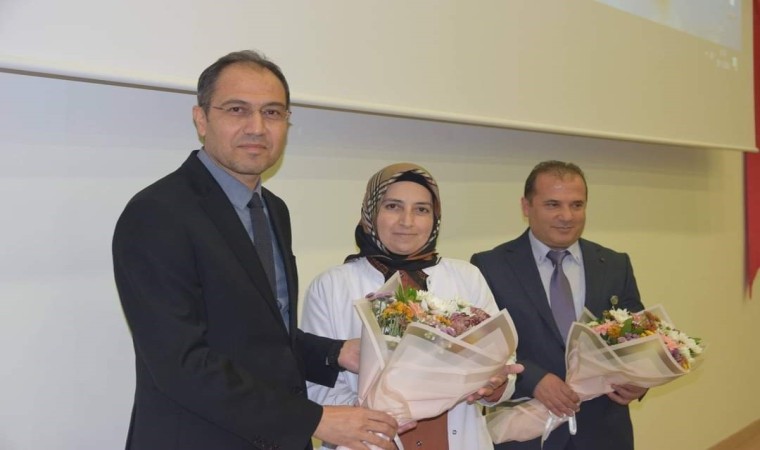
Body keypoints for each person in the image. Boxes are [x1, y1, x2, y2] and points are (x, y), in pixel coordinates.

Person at [112, 50, 401, 450]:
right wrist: (314, 420)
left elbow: (262, 334)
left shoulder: (273, 210)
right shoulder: (157, 213)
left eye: (272, 113)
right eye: (237, 109)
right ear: (201, 119)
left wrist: (338, 353)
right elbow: (181, 363)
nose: (257, 127)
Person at [301, 162, 524, 450]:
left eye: (421, 209)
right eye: (393, 206)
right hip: (369, 442)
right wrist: (375, 421)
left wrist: (495, 387)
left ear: (435, 217)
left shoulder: (467, 277)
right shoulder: (331, 285)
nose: (407, 221)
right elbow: (316, 384)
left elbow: (502, 361)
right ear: (370, 212)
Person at [471, 160, 648, 450]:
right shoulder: (490, 266)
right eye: (553, 204)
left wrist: (639, 380)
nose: (567, 216)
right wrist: (532, 379)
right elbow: (483, 347)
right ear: (526, 206)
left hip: (604, 433)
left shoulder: (615, 265)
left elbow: (638, 340)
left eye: (577, 205)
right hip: (526, 432)